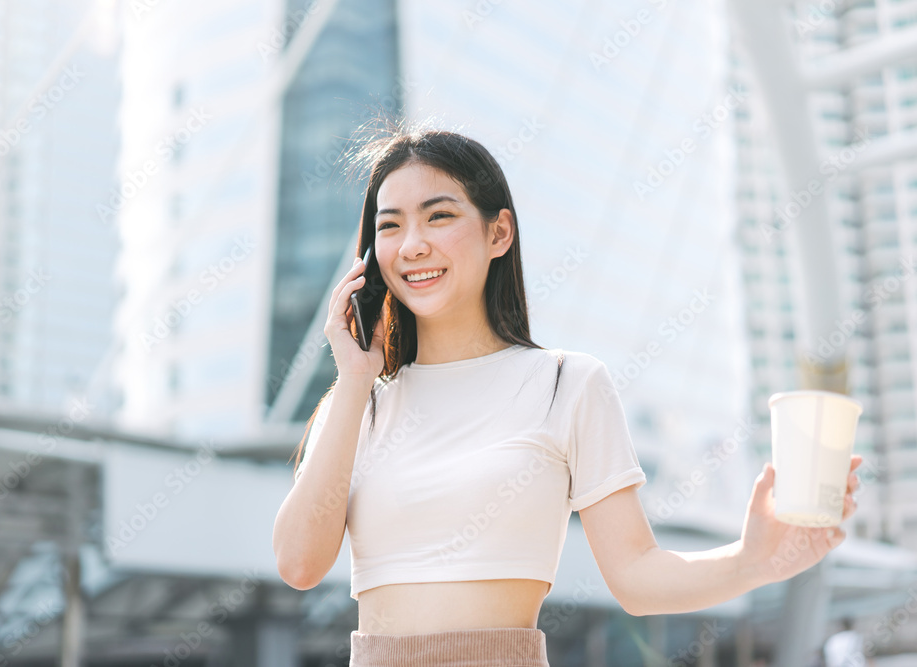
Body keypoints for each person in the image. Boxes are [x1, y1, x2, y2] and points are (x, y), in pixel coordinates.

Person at [272, 123, 864, 666]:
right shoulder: (355, 403)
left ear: (498, 232)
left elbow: (635, 575)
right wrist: (353, 379)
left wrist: (754, 559)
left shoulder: (566, 383)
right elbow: (299, 565)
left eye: (439, 216)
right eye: (390, 224)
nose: (413, 244)